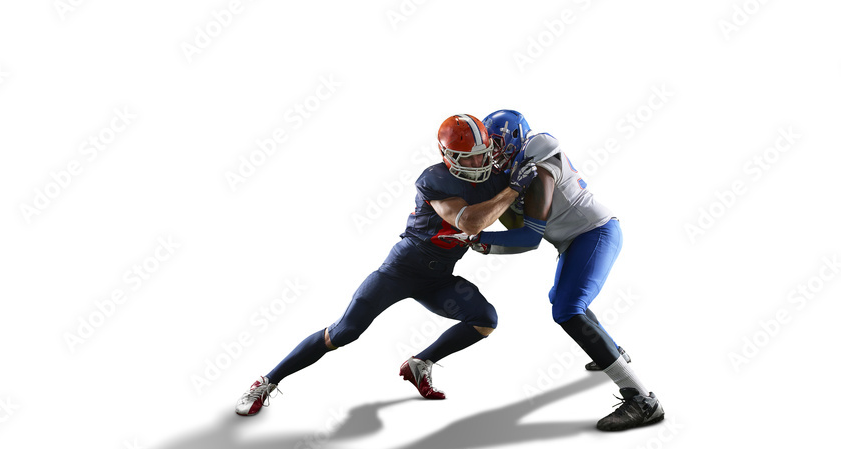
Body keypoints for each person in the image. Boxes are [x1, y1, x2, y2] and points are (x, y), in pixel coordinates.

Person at [235, 114, 538, 416]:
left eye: (482, 156)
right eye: (468, 159)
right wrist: (513, 190)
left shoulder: (495, 179)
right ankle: (266, 382)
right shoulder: (434, 179)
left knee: (485, 320)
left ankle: (420, 364)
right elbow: (471, 222)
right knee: (342, 332)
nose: (477, 164)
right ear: (448, 156)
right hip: (401, 270)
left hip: (440, 277)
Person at [443, 110, 664, 431]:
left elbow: (530, 237)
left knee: (567, 310)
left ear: (517, 141)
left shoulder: (538, 166)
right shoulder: (515, 170)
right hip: (574, 240)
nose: (492, 153)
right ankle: (611, 351)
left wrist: (481, 239)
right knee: (562, 298)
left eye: (498, 145)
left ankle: (643, 401)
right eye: (490, 145)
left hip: (594, 232)